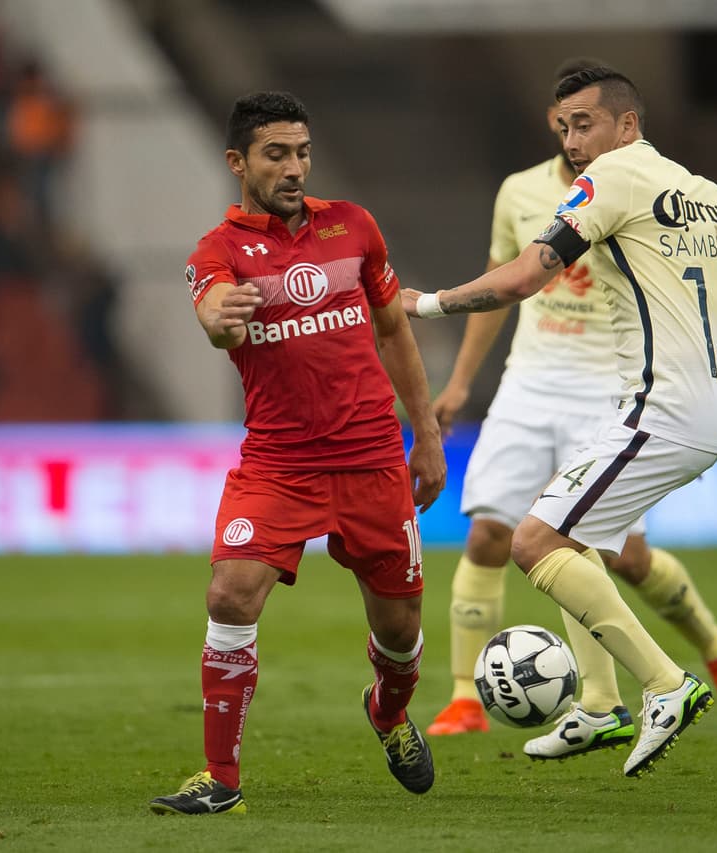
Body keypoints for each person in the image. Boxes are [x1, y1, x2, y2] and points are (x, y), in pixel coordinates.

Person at [403, 67, 717, 778]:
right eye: (564, 127)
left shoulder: (611, 183)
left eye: (586, 124)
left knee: (533, 541)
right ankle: (600, 705)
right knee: (573, 543)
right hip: (700, 415)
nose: (574, 141)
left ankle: (666, 683)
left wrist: (423, 305)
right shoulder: (713, 197)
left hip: (654, 409)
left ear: (627, 125)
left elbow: (521, 279)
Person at [151, 92, 446, 814]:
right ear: (238, 162)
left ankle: (387, 709)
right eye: (276, 153)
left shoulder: (354, 227)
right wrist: (220, 318)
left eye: (302, 151)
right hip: (279, 464)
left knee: (401, 630)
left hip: (373, 455)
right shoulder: (217, 253)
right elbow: (214, 315)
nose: (293, 167)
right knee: (229, 592)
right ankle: (222, 779)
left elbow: (393, 330)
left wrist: (428, 430)